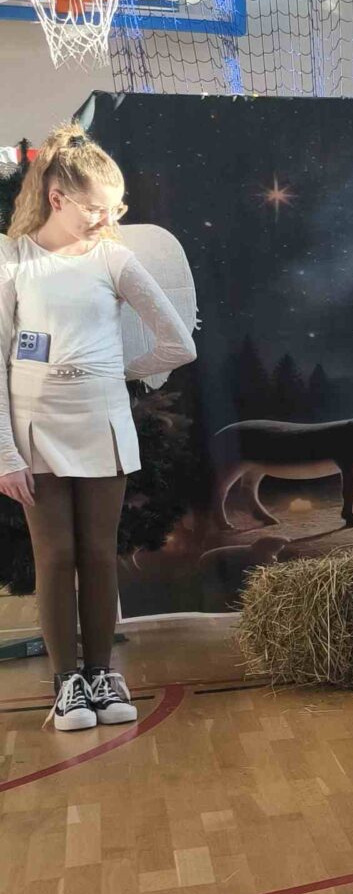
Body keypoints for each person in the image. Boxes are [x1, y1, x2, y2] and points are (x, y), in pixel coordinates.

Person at [1, 123, 197, 731]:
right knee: (55, 556)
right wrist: (5, 454)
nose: (106, 220)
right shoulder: (12, 259)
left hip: (103, 423)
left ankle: (102, 674)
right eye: (94, 209)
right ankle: (68, 685)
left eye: (115, 209)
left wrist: (117, 373)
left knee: (98, 554)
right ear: (57, 197)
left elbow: (179, 344)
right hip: (34, 429)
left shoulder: (115, 257)